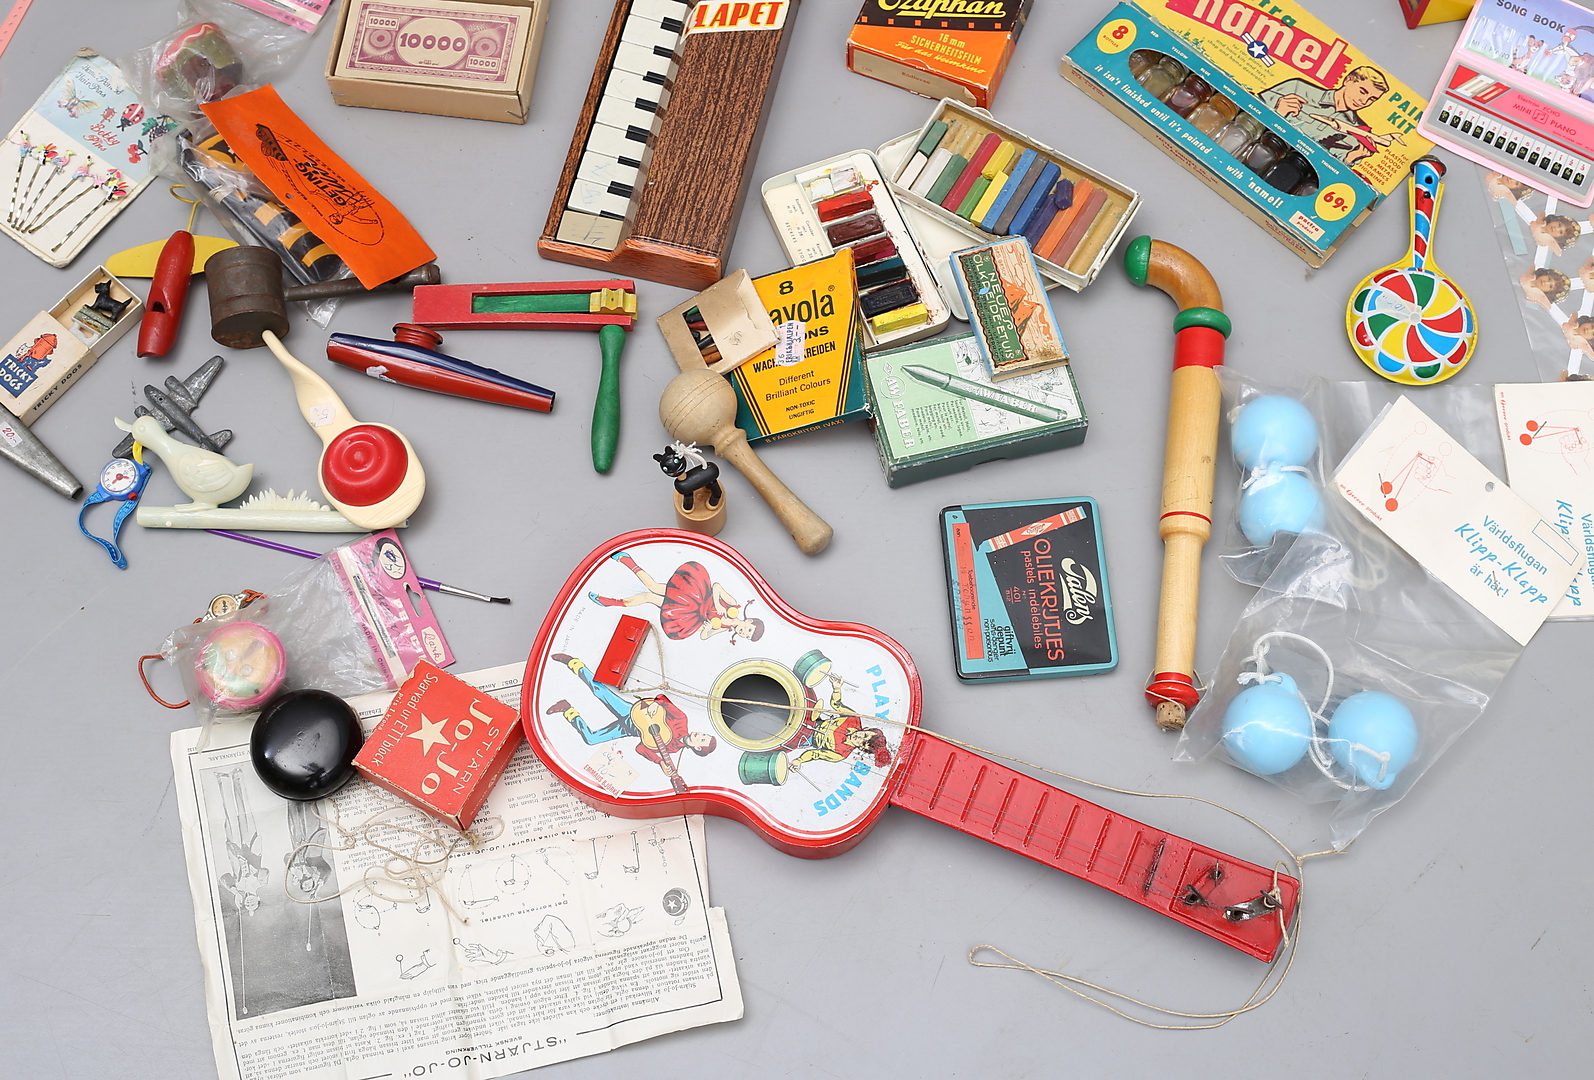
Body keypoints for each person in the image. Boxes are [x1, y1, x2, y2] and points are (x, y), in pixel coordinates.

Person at [546, 652, 716, 794]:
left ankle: (567, 710)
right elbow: (663, 699)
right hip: (633, 713)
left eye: (702, 739)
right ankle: (575, 664)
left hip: (629, 729)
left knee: (591, 739)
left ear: (697, 748)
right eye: (704, 734)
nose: (699, 734)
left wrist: (659, 761)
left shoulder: (672, 750)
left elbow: (640, 748)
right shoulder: (682, 720)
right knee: (599, 691)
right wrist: (655, 705)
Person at [590, 551, 764, 642]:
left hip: (687, 613)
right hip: (694, 593)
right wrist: (718, 605)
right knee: (653, 587)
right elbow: (717, 586)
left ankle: (612, 602)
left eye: (747, 636)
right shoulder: (733, 605)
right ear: (749, 621)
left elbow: (704, 636)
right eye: (749, 630)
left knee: (649, 597)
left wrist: (708, 628)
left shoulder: (724, 628)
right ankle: (627, 561)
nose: (744, 633)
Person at [1258, 66, 1403, 167]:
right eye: (1362, 91)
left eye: (1372, 99)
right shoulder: (1296, 88)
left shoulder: (1358, 133)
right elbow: (1252, 115)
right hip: (1259, 148)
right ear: (1348, 80)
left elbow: (1331, 169)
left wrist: (1352, 157)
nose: (1364, 101)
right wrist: (1277, 112)